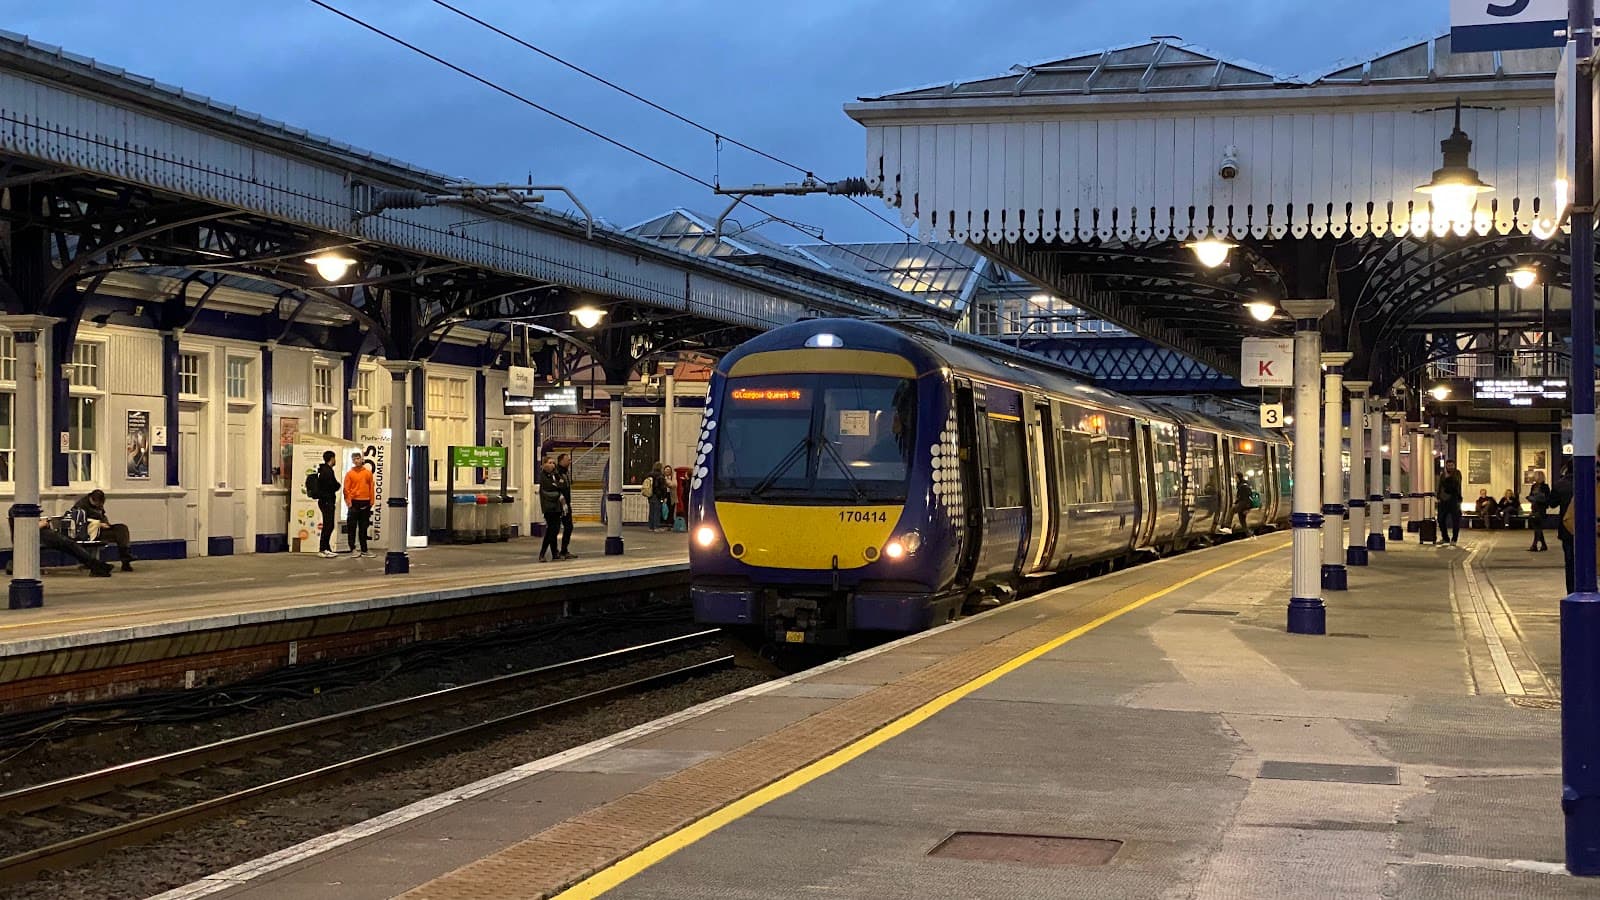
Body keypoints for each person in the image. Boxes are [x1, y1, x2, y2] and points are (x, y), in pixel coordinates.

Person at [70, 489, 136, 571]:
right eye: (98, 503)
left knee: (122, 529)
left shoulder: (98, 504)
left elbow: (102, 515)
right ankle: (125, 557)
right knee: (117, 534)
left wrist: (106, 523)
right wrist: (99, 524)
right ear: (92, 499)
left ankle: (125, 556)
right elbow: (78, 522)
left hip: (102, 528)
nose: (100, 505)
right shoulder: (80, 506)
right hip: (91, 532)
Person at [343, 450, 375, 558]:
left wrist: (371, 501)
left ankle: (364, 549)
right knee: (351, 528)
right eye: (354, 459)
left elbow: (371, 487)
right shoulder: (349, 474)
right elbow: (346, 489)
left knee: (363, 527)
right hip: (354, 503)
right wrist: (349, 502)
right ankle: (352, 548)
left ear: (362, 459)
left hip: (365, 502)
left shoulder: (368, 473)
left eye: (358, 458)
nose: (356, 461)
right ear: (352, 461)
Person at [314, 450, 341, 559]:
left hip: (324, 500)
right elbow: (334, 485)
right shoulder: (327, 471)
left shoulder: (323, 470)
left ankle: (327, 548)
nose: (335, 460)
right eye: (334, 458)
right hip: (327, 501)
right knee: (328, 525)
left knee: (328, 525)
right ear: (332, 458)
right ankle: (323, 548)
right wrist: (337, 485)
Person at [538, 457, 565, 562]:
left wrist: (558, 485)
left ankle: (555, 553)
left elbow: (562, 485)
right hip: (549, 507)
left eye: (553, 463)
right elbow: (549, 488)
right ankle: (542, 553)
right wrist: (558, 488)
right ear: (544, 464)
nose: (552, 465)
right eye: (549, 463)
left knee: (555, 530)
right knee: (551, 530)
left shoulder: (555, 475)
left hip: (557, 507)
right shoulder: (543, 476)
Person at [1556, 460, 1576, 593]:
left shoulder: (1560, 484)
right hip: (1589, 528)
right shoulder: (1591, 483)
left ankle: (1571, 591)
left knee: (1569, 562)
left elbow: (1552, 503)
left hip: (1566, 527)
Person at [1436, 459, 1463, 545]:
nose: (1450, 467)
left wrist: (1448, 478)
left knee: (1455, 520)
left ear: (1454, 466)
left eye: (1451, 465)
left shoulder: (1457, 474)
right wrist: (1438, 496)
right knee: (1440, 519)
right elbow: (1440, 486)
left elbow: (1454, 486)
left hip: (1454, 500)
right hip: (1443, 500)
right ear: (1446, 466)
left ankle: (1454, 539)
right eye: (1448, 466)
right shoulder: (1443, 475)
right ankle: (1445, 537)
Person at [556, 452, 575, 559]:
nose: (570, 461)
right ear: (561, 461)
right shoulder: (558, 473)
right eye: (568, 460)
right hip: (560, 505)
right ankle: (556, 551)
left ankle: (564, 550)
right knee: (555, 528)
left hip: (566, 505)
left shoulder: (566, 473)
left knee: (569, 527)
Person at [646, 463, 674, 533]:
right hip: (657, 495)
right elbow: (662, 487)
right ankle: (656, 527)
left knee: (651, 511)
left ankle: (651, 526)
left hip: (650, 494)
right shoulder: (660, 476)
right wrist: (663, 496)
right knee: (657, 511)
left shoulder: (649, 474)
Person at [1528, 473, 1552, 552]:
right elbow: (1530, 495)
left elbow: (1547, 498)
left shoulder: (1545, 487)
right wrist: (1531, 498)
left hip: (1541, 508)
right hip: (1534, 507)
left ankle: (1534, 545)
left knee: (1538, 527)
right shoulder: (1533, 486)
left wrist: (1539, 498)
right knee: (1537, 527)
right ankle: (1543, 545)